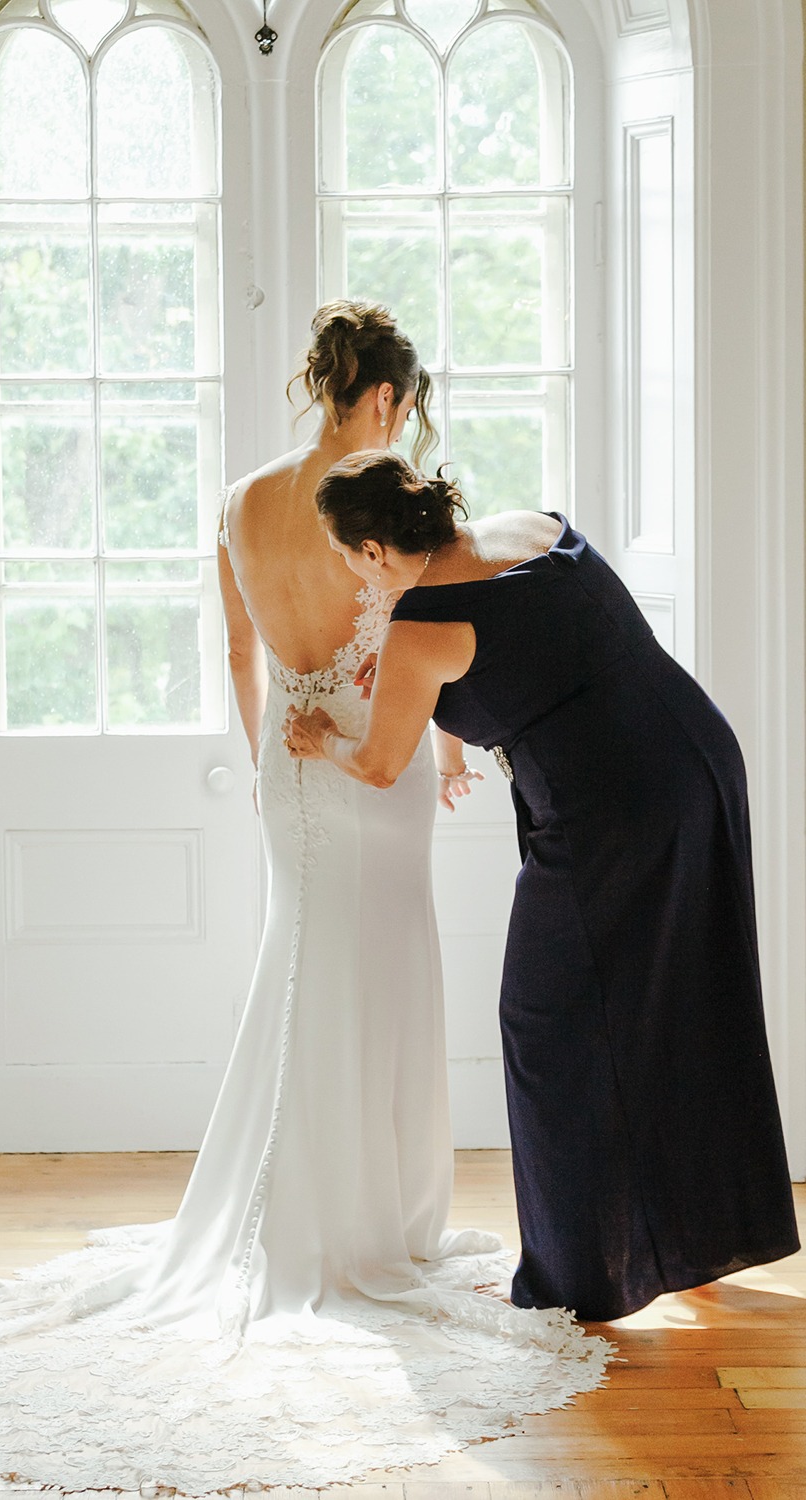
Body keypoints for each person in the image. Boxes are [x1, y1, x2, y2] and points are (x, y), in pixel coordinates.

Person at [0, 307, 610, 1497]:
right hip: (374, 760)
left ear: (321, 383)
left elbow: (239, 654)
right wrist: (440, 751)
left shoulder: (242, 500)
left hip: (292, 768)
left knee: (302, 968)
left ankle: (303, 1213)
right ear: (387, 400)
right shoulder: (386, 501)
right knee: (385, 969)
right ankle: (375, 1229)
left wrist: (268, 764)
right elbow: (429, 635)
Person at [285, 448, 800, 1324]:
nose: (348, 572)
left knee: (545, 1021)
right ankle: (699, 1235)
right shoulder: (531, 528)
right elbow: (533, 654)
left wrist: (313, 738)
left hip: (615, 814)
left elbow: (375, 762)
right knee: (683, 996)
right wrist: (444, 727)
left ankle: (579, 1276)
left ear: (373, 551)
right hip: (698, 761)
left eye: (344, 555)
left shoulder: (421, 624)